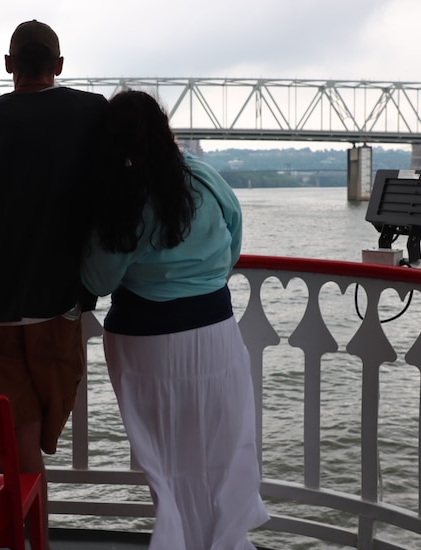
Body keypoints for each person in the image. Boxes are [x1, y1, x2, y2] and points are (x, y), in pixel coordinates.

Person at [0, 19, 107, 547]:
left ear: (9, 65)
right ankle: (28, 533)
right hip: (57, 301)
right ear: (58, 66)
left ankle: (21, 535)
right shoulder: (93, 112)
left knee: (16, 435)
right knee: (38, 428)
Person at [81, 90, 269, 550]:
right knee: (219, 451)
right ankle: (220, 540)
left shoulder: (122, 197)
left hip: (146, 344)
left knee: (164, 459)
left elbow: (98, 279)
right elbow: (233, 247)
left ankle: (176, 538)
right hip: (216, 333)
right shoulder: (207, 180)